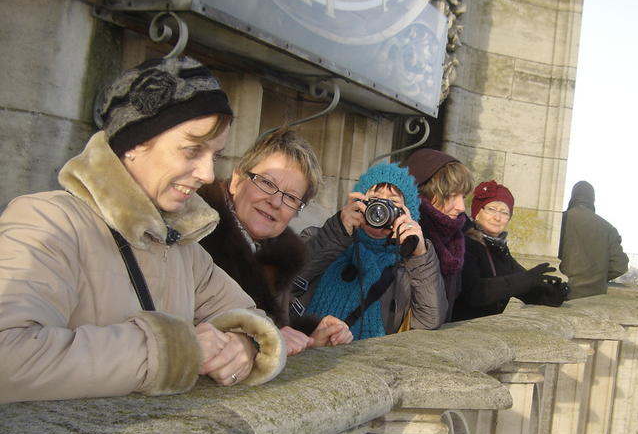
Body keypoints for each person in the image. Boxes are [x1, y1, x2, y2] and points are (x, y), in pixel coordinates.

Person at [0, 56, 285, 405]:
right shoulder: (48, 222)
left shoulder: (185, 248)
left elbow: (250, 319)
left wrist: (243, 345)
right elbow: (9, 357)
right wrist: (173, 352)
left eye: (215, 155)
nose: (208, 175)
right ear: (135, 143)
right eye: (192, 150)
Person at [199, 129, 352, 356]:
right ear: (237, 181)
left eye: (290, 197)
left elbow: (276, 335)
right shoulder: (197, 235)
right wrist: (267, 338)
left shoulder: (276, 256)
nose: (275, 201)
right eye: (266, 183)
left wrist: (309, 339)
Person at [299, 162, 446, 339]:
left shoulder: (408, 267)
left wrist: (419, 254)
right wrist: (338, 230)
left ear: (408, 214)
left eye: (392, 202)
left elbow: (429, 320)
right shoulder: (321, 238)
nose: (380, 209)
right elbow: (288, 281)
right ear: (359, 201)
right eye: (375, 199)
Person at [451, 181, 566, 321]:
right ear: (477, 213)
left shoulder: (499, 249)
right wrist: (527, 279)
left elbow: (521, 286)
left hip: (485, 331)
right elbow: (473, 293)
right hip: (459, 330)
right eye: (491, 209)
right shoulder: (465, 243)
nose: (497, 217)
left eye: (504, 212)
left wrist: (548, 295)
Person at [403, 148, 473, 321]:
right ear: (425, 192)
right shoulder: (404, 235)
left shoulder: (455, 238)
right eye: (452, 196)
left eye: (463, 196)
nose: (461, 207)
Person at [558, 180, 629, 299]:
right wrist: (596, 277)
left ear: (572, 197)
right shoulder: (608, 229)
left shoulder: (558, 222)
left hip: (560, 294)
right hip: (593, 297)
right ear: (593, 200)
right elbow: (620, 266)